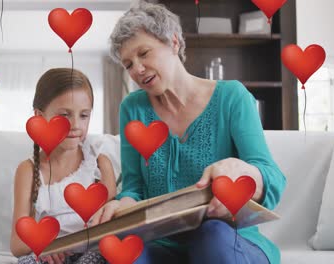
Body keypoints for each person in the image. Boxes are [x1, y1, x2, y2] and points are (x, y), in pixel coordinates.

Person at [90, 2, 286, 264]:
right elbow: (134, 188)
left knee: (212, 235)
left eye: (144, 53)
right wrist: (123, 205)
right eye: (128, 64)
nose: (137, 69)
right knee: (123, 247)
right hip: (162, 245)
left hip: (227, 240)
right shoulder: (132, 108)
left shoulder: (232, 97)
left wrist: (244, 172)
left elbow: (273, 179)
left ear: (173, 42)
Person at [10, 68, 117, 264]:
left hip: (91, 254)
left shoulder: (100, 165)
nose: (75, 124)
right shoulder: (28, 171)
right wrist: (45, 246)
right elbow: (17, 245)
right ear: (39, 116)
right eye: (65, 115)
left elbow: (113, 227)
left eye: (84, 115)